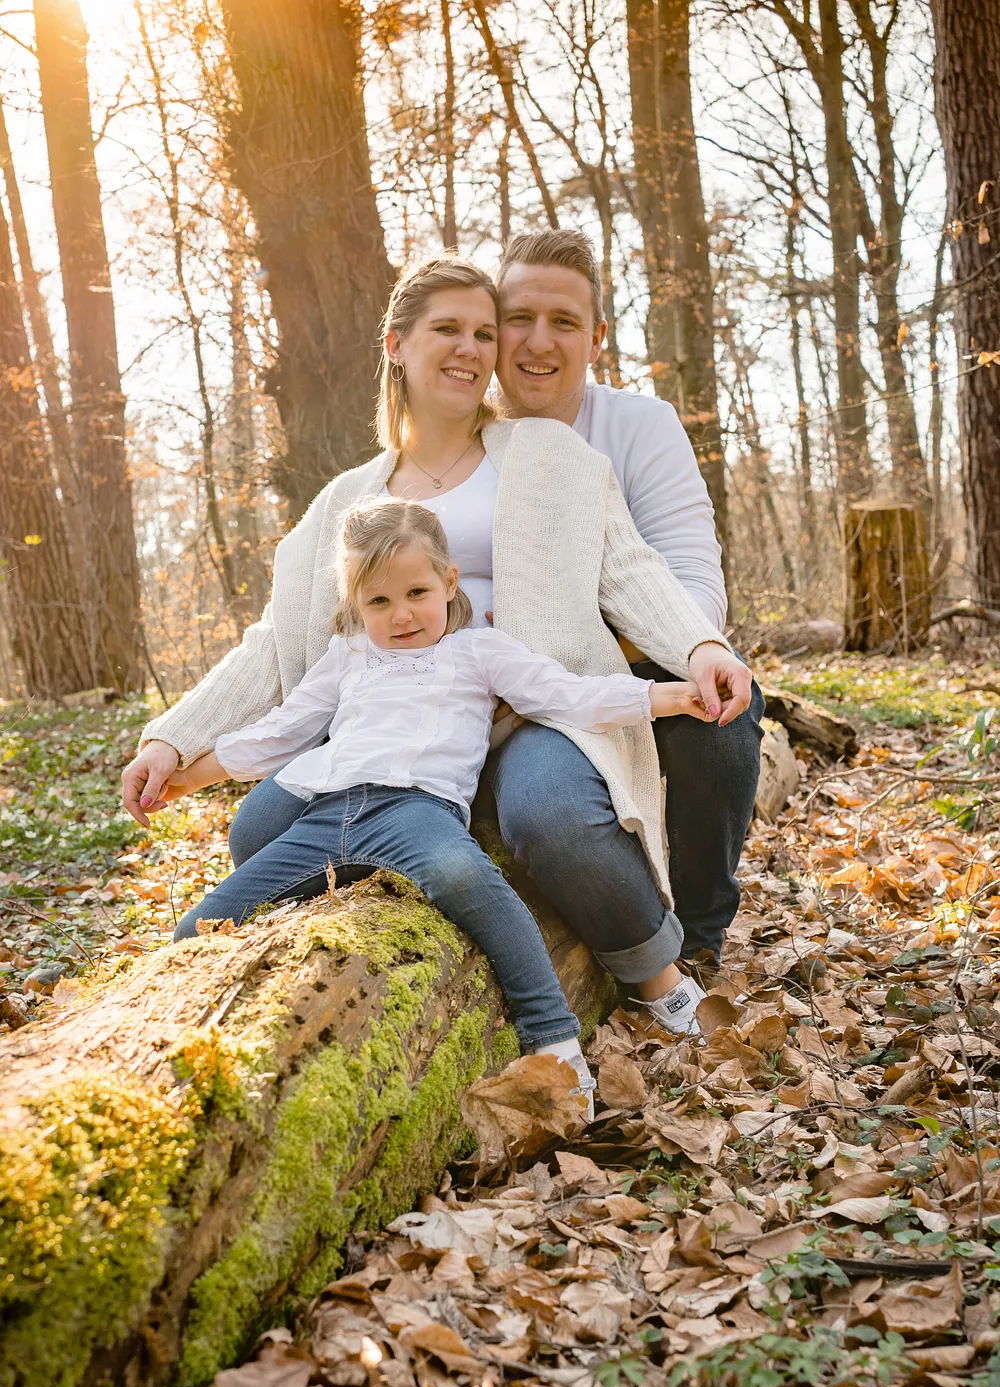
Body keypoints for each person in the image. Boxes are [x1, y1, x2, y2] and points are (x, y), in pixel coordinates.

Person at [121, 255, 744, 1036]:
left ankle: (658, 980)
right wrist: (173, 740)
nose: (472, 349)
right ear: (395, 345)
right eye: (447, 328)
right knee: (256, 829)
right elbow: (276, 642)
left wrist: (698, 646)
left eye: (484, 332)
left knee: (549, 812)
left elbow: (630, 568)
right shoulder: (348, 500)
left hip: (529, 711)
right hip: (391, 729)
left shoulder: (548, 453)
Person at [163, 501, 717, 1113]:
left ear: (449, 582)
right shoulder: (348, 655)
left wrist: (665, 697)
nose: (400, 615)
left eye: (417, 592)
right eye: (378, 602)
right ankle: (178, 1044)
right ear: (354, 604)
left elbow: (570, 697)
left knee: (466, 878)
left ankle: (555, 1041)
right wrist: (193, 774)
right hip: (327, 814)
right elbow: (285, 730)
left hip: (417, 815)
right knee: (199, 928)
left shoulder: (481, 652)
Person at [493, 229, 764, 981]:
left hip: (647, 665)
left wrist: (636, 661)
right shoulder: (466, 432)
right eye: (518, 317)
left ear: (596, 337)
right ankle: (630, 923)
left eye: (564, 322)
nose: (538, 341)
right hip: (526, 702)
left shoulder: (639, 427)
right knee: (543, 804)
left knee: (722, 720)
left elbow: (692, 579)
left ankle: (701, 930)